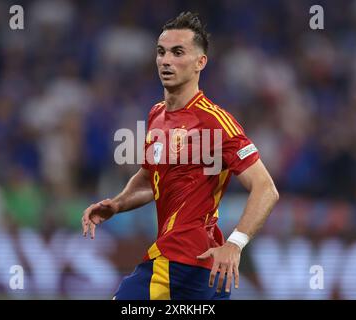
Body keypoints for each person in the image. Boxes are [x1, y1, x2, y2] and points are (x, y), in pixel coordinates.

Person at [81, 11, 279, 300]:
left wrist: (235, 243)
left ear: (201, 62)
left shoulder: (215, 121)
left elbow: (266, 189)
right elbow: (151, 179)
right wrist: (117, 204)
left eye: (177, 52)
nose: (166, 60)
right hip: (202, 269)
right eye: (161, 52)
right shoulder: (157, 115)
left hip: (181, 259)